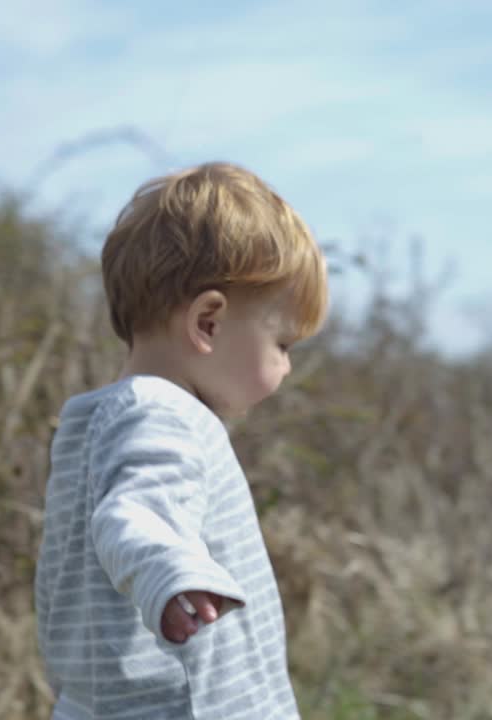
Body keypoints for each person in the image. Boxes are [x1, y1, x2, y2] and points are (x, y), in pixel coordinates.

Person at [34, 161, 329, 719]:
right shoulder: (162, 412)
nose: (287, 368)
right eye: (284, 344)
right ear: (209, 323)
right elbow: (135, 512)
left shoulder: (95, 421)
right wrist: (171, 574)